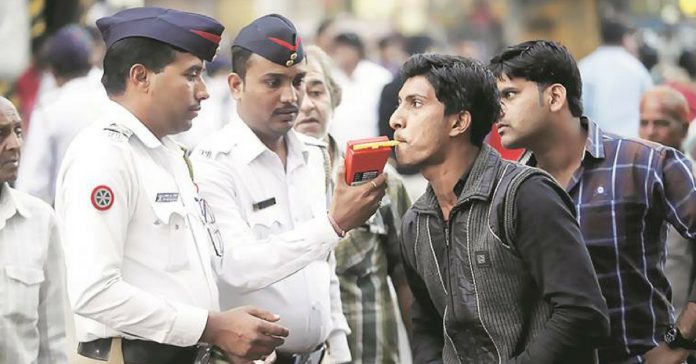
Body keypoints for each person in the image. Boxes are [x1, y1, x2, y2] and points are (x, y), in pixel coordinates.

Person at [55, 7, 289, 364]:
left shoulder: (169, 154)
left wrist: (222, 335)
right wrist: (211, 327)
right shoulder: (103, 155)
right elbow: (94, 293)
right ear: (141, 77)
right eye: (191, 75)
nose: (203, 91)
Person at [191, 14, 388, 364]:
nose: (290, 96)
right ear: (236, 86)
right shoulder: (213, 162)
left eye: (297, 81)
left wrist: (338, 349)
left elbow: (322, 267)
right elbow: (236, 269)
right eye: (273, 82)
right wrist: (332, 226)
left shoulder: (312, 155)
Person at [391, 53, 609, 363]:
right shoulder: (416, 223)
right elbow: (425, 324)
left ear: (459, 122)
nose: (396, 119)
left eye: (415, 103)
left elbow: (583, 313)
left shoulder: (526, 194)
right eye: (400, 103)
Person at [489, 39, 696, 364]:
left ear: (555, 96)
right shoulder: (507, 187)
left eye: (510, 95)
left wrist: (680, 339)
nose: (497, 110)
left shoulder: (643, 162)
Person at [293, 45, 413, 364]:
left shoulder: (379, 182)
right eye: (296, 91)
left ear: (335, 98)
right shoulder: (264, 187)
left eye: (317, 92)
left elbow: (408, 280)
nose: (306, 105)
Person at [0, 96, 68, 364]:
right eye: (1, 134)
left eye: (18, 131)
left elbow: (53, 338)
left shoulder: (40, 220)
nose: (15, 145)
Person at [16, 24, 108, 204]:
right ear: (91, 61)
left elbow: (32, 188)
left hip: (67, 220)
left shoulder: (50, 111)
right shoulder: (117, 98)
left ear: (52, 69)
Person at [579, 18, 653, 138]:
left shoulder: (585, 66)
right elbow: (651, 101)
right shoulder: (636, 67)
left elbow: (578, 107)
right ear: (624, 38)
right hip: (633, 142)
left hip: (597, 143)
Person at [329, 32, 393, 149]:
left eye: (345, 48)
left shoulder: (379, 76)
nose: (341, 52)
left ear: (357, 51)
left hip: (371, 145)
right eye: (338, 48)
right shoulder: (331, 76)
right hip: (338, 147)